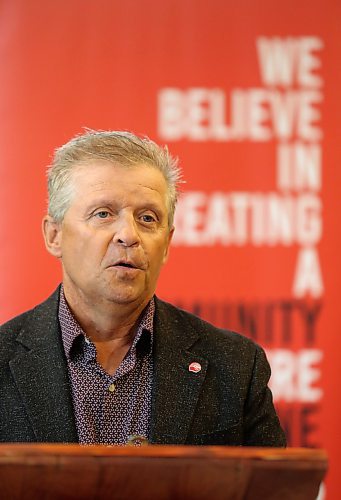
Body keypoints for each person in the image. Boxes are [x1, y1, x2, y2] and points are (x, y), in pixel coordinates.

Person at [0, 130, 285, 446]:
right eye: (103, 214)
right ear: (54, 235)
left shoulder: (235, 367)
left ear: (166, 244)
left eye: (147, 218)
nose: (128, 235)